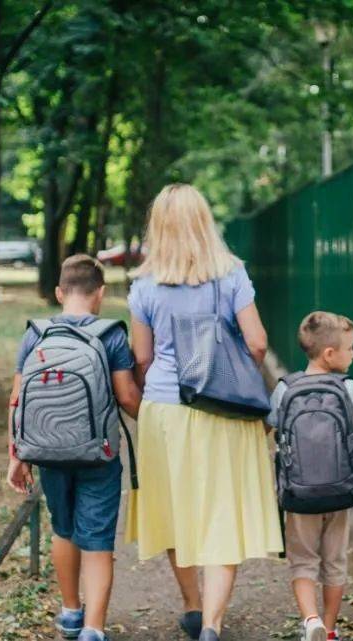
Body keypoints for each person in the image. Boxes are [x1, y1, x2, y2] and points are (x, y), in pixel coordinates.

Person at [124, 184, 283, 641]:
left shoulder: (144, 286)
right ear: (204, 222)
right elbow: (256, 342)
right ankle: (213, 623)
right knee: (221, 512)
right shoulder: (232, 275)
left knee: (176, 510)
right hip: (222, 412)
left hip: (165, 413)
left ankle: (193, 606)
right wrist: (229, 375)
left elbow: (142, 357)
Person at [6, 254, 141, 641]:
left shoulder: (36, 333)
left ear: (59, 292)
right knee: (97, 538)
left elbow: (17, 399)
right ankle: (94, 629)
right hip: (98, 454)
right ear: (100, 293)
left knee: (63, 530)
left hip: (46, 450)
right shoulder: (111, 333)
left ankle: (70, 612)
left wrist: (16, 455)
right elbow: (127, 397)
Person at [267, 312, 353, 641]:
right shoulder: (347, 387)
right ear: (330, 353)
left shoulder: (285, 388)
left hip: (300, 494)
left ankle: (310, 620)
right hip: (342, 489)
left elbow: (273, 431)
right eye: (350, 348)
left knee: (303, 561)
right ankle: (330, 631)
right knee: (335, 561)